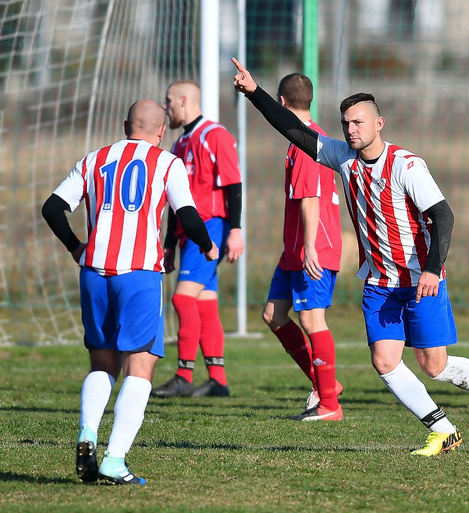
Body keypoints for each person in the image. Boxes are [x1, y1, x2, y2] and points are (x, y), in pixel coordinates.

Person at [232, 57, 469, 455]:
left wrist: (433, 269)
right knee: (384, 361)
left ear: (379, 123)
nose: (351, 129)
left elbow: (444, 216)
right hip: (379, 282)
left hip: (420, 280)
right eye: (346, 123)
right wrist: (254, 93)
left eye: (359, 122)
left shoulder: (406, 165)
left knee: (434, 366)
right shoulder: (342, 157)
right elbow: (292, 129)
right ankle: (442, 430)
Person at [41, 101, 218, 485]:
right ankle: (114, 460)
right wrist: (207, 246)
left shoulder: (94, 159)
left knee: (102, 364)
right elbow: (187, 215)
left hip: (94, 271)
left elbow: (52, 208)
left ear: (125, 125)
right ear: (161, 132)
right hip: (138, 275)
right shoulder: (167, 162)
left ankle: (88, 433)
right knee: (140, 368)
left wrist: (75, 246)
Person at [151, 81, 244, 399]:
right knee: (204, 304)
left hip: (211, 227)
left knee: (182, 299)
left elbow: (233, 183)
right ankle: (218, 380)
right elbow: (175, 200)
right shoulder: (179, 145)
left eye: (168, 101)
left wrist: (235, 229)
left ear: (184, 100)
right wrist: (168, 244)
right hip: (187, 233)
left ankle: (183, 375)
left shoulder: (214, 135)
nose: (166, 108)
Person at [261, 73, 344, 420]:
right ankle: (326, 384)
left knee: (312, 319)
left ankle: (329, 405)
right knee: (274, 315)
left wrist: (310, 246)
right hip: (294, 250)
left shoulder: (307, 143)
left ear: (281, 102)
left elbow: (310, 197)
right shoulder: (305, 137)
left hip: (313, 248)